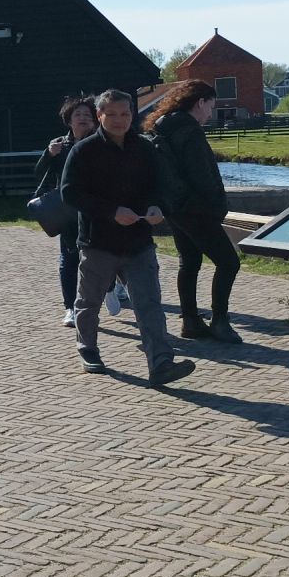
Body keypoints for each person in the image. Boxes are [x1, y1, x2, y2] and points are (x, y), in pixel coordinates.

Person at [60, 90, 195, 386]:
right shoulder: (83, 151)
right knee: (89, 302)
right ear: (100, 116)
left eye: (125, 114)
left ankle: (161, 363)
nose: (120, 120)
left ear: (132, 115)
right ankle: (89, 349)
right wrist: (111, 211)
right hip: (99, 243)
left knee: (149, 303)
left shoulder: (146, 148)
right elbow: (70, 193)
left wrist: (161, 206)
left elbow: (165, 186)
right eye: (112, 114)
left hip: (138, 241)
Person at [145, 79, 242, 344]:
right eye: (210, 107)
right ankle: (220, 321)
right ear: (199, 103)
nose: (210, 114)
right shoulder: (190, 131)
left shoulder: (162, 127)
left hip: (175, 207)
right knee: (229, 262)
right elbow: (202, 174)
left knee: (189, 262)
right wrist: (216, 206)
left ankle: (190, 320)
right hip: (197, 209)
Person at [33, 96, 98, 327]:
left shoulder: (100, 143)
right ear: (69, 120)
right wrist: (49, 154)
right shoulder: (59, 145)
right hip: (68, 211)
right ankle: (70, 307)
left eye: (88, 116)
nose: (83, 119)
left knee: (100, 257)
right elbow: (39, 172)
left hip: (96, 210)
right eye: (78, 115)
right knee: (68, 259)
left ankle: (110, 289)